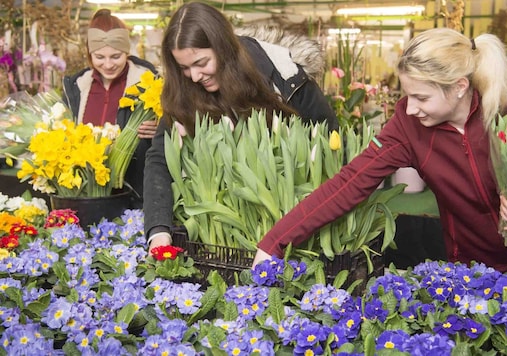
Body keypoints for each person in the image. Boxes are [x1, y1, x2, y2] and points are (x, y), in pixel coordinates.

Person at [253, 28, 507, 273]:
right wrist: (274, 243)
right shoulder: (407, 126)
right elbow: (348, 183)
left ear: (459, 87)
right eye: (407, 95)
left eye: (422, 97)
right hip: (483, 271)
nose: (410, 108)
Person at [144, 2, 339, 250]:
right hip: (221, 238)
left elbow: (331, 139)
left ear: (223, 48)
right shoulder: (184, 92)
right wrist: (158, 231)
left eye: (202, 63)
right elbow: (160, 158)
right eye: (184, 68)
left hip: (294, 235)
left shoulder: (285, 77)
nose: (194, 76)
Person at [62, 9, 159, 207]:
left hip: (136, 196)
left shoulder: (148, 84)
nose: (107, 65)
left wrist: (162, 130)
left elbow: (174, 131)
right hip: (88, 195)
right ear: (89, 54)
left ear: (127, 51)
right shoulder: (77, 87)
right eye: (99, 57)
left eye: (116, 56)